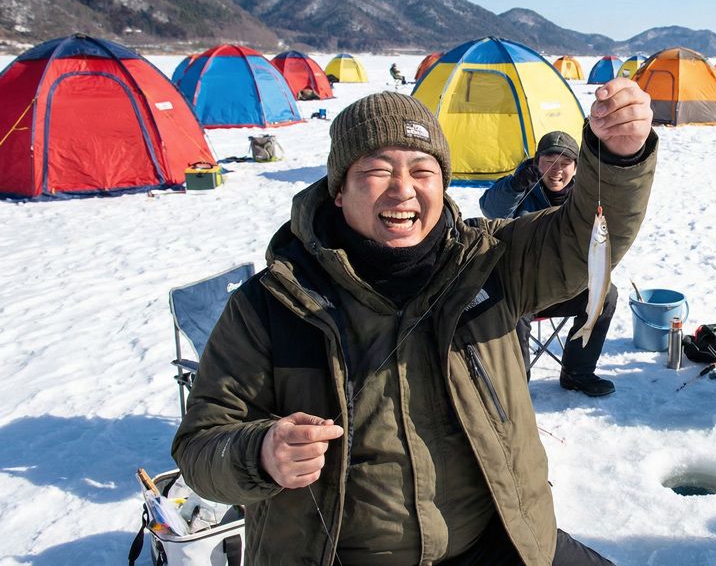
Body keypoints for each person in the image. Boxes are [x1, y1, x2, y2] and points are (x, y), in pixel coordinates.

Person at [172, 81, 655, 566]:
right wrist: (260, 453)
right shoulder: (273, 304)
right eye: (378, 170)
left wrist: (617, 157)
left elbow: (584, 235)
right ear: (338, 191)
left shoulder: (492, 261)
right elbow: (199, 445)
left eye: (423, 170)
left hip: (504, 540)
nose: (403, 189)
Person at [479, 131, 618, 397]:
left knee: (607, 295)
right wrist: (516, 184)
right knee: (512, 309)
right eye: (549, 160)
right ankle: (517, 384)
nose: (556, 169)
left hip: (565, 285)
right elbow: (490, 209)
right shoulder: (520, 187)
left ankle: (577, 372)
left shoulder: (586, 197)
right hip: (523, 287)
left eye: (565, 162)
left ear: (576, 167)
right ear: (536, 162)